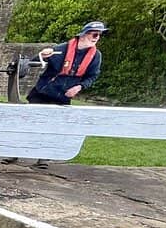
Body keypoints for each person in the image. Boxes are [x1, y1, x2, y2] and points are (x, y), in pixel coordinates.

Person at [6, 20, 108, 168]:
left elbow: (92, 76)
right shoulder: (62, 49)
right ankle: (14, 153)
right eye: (94, 34)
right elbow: (33, 63)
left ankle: (43, 159)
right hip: (43, 92)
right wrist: (42, 55)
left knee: (53, 128)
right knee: (28, 124)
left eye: (99, 35)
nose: (97, 37)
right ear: (84, 34)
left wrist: (79, 86)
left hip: (62, 97)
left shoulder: (95, 56)